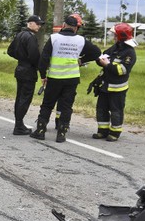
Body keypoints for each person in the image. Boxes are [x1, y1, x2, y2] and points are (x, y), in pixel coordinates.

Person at [31, 13, 101, 142]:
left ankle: (40, 131)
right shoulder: (81, 40)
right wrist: (82, 60)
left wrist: (43, 75)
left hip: (54, 78)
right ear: (75, 28)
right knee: (66, 106)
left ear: (64, 25)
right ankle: (61, 134)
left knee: (47, 105)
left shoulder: (54, 38)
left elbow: (44, 59)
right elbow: (97, 52)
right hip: (72, 78)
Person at [91, 22, 138, 142]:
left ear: (121, 36)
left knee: (116, 110)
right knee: (101, 108)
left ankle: (115, 133)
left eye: (115, 35)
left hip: (117, 88)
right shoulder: (115, 47)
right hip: (105, 86)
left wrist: (107, 64)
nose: (114, 37)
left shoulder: (129, 52)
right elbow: (104, 56)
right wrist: (99, 59)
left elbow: (122, 70)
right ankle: (102, 131)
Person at [7, 15, 44, 135]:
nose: (39, 26)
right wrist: (40, 68)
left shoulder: (19, 35)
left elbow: (10, 51)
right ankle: (19, 126)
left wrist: (21, 57)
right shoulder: (31, 37)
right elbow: (34, 56)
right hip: (28, 71)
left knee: (19, 97)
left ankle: (19, 124)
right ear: (30, 24)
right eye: (37, 24)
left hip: (20, 69)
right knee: (25, 98)